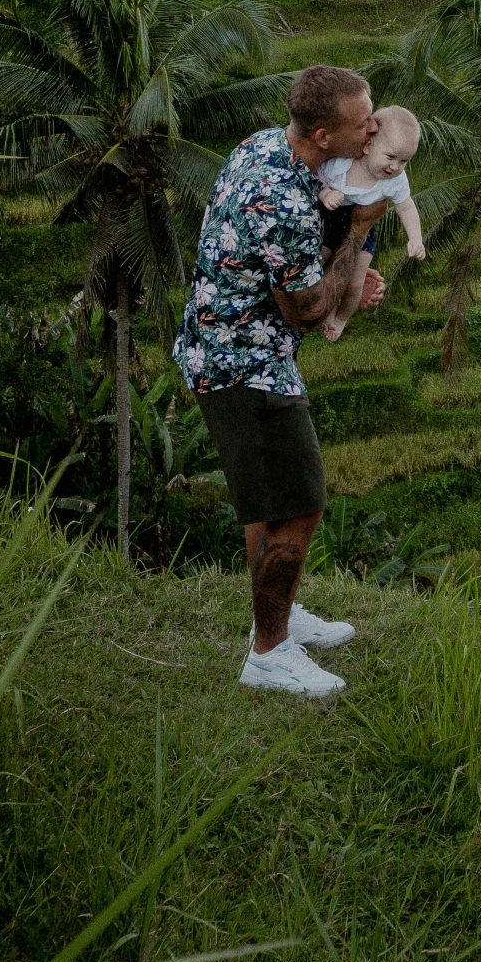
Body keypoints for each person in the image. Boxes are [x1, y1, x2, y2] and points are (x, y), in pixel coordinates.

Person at [172, 63, 387, 696]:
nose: (373, 126)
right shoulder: (287, 199)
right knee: (298, 504)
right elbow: (308, 310)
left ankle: (280, 617)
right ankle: (268, 653)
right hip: (246, 363)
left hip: (227, 346)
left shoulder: (265, 145)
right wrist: (359, 235)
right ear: (323, 135)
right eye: (361, 121)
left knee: (267, 501)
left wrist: (346, 271)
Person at [316, 104, 425, 342]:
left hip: (366, 227)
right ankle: (326, 309)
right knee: (320, 266)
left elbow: (406, 206)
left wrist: (415, 238)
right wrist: (325, 193)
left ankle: (341, 319)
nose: (395, 167)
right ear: (368, 145)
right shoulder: (341, 164)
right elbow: (314, 175)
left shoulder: (394, 181)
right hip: (330, 219)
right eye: (391, 157)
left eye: (404, 161)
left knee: (355, 282)